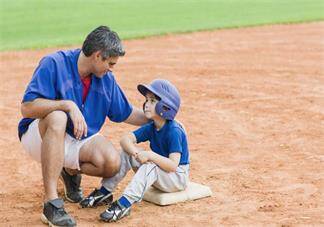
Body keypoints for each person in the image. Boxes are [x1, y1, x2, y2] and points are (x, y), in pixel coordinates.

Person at [18, 26, 148, 226]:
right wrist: (67, 105)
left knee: (111, 163)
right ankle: (51, 203)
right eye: (110, 63)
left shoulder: (106, 80)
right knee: (58, 117)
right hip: (40, 137)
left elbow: (126, 112)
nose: (111, 68)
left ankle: (68, 172)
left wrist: (157, 117)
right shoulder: (54, 63)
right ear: (98, 56)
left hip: (74, 141)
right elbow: (27, 108)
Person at [80, 79, 190, 222]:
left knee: (150, 166)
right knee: (126, 153)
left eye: (152, 101)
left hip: (176, 178)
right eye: (146, 100)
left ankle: (125, 204)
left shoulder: (174, 131)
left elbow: (173, 166)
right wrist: (135, 153)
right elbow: (125, 139)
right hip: (162, 173)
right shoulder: (152, 126)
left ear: (166, 107)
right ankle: (105, 191)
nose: (146, 104)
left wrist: (150, 155)